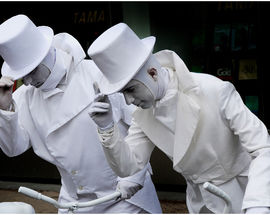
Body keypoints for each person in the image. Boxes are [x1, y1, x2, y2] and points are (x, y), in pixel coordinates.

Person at [87, 22, 270, 214]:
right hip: (199, 202)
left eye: (131, 89)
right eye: (122, 93)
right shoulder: (142, 115)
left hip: (244, 194)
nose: (128, 100)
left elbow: (262, 148)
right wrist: (107, 127)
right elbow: (129, 167)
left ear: (152, 73)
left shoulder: (215, 90)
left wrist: (258, 203)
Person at [0, 15, 162, 213]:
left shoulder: (97, 73)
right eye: (21, 76)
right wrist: (4, 109)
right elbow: (13, 148)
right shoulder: (25, 96)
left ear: (47, 54)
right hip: (75, 201)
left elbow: (143, 122)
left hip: (125, 196)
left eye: (31, 71)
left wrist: (134, 175)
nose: (27, 82)